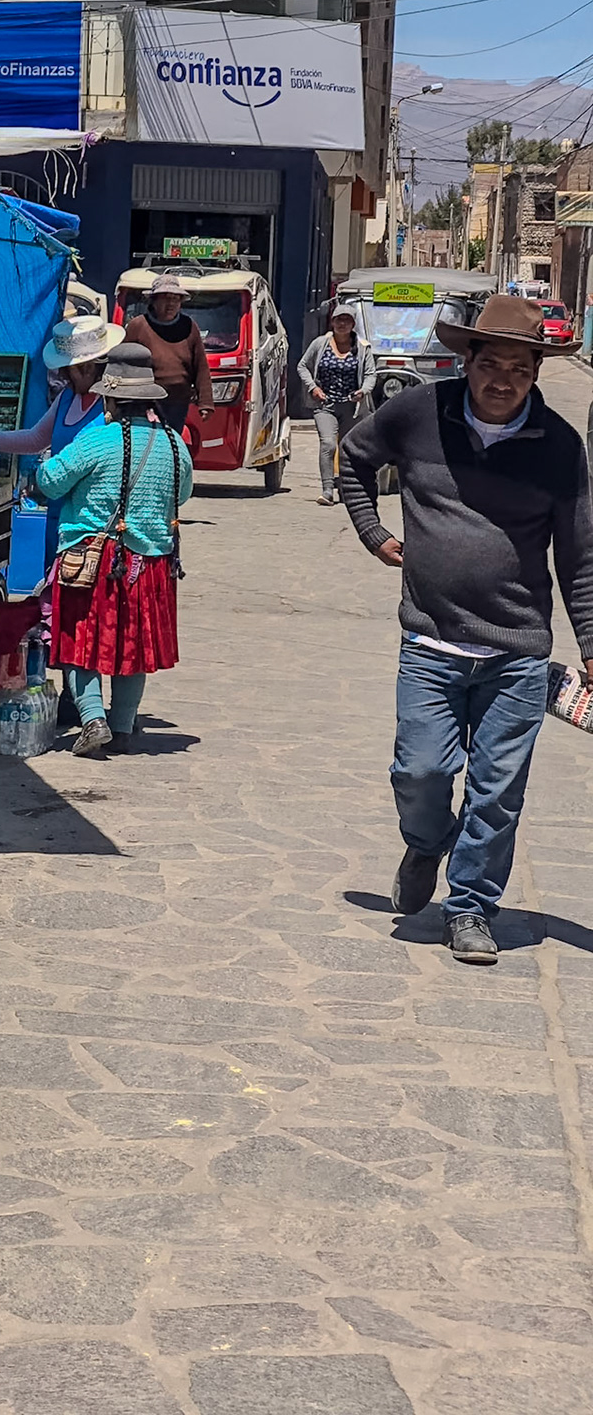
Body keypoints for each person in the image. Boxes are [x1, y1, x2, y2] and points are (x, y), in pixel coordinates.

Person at [338, 293, 593, 965]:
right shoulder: (421, 411)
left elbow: (579, 556)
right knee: (418, 771)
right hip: (430, 640)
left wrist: (591, 648)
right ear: (467, 359)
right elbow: (354, 456)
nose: (504, 379)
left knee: (498, 792)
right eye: (493, 363)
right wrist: (373, 533)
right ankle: (425, 842)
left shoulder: (560, 446)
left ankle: (471, 907)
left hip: (517, 654)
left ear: (537, 372)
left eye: (521, 367)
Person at [36, 343, 193, 758]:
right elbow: (184, 493)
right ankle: (123, 727)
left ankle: (93, 720)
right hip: (153, 563)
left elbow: (50, 482)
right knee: (134, 649)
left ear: (111, 398)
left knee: (79, 643)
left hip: (95, 559)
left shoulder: (98, 440)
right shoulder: (176, 445)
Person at [0, 314, 123, 467]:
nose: (61, 375)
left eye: (66, 369)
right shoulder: (66, 398)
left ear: (88, 368)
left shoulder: (112, 404)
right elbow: (36, 439)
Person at [298, 304, 377, 506]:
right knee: (328, 444)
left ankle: (344, 488)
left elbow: (370, 374)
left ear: (353, 324)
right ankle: (327, 490)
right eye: (339, 320)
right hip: (325, 404)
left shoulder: (362, 348)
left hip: (352, 407)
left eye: (347, 320)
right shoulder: (320, 344)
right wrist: (313, 388)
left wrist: (363, 391)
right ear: (332, 322)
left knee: (346, 448)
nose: (342, 324)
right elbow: (302, 366)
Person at [123, 273, 213, 436]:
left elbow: (200, 366)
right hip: (144, 403)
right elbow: (124, 364)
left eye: (175, 299)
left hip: (177, 403)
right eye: (165, 298)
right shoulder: (137, 327)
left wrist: (205, 402)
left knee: (172, 445)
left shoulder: (189, 327)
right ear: (154, 300)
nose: (171, 303)